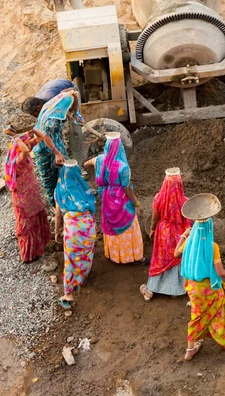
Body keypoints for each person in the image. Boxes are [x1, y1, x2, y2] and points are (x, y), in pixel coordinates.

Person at [178, 193, 225, 361]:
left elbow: (176, 253)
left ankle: (190, 349)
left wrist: (184, 236)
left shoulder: (189, 241)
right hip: (208, 289)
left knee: (196, 316)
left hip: (192, 287)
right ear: (210, 229)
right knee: (218, 314)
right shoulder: (212, 247)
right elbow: (220, 272)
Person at [84, 132, 145, 264]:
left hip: (107, 196)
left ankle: (114, 254)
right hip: (121, 200)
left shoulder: (100, 159)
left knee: (111, 224)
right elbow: (128, 189)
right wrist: (137, 204)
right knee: (128, 223)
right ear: (120, 148)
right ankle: (133, 256)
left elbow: (87, 163)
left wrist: (92, 167)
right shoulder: (123, 168)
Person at [140, 168, 191, 301]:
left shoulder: (158, 198)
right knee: (176, 259)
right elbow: (188, 220)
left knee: (161, 259)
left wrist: (152, 229)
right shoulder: (185, 201)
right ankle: (175, 289)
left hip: (164, 232)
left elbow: (155, 217)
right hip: (179, 233)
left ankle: (151, 289)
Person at [54, 159, 97, 309]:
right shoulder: (83, 188)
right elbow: (92, 207)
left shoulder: (59, 191)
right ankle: (81, 279)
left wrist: (56, 231)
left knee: (70, 261)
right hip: (88, 227)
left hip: (72, 230)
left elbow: (58, 215)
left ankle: (68, 294)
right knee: (85, 254)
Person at [5, 133, 51, 262]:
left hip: (32, 194)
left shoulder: (24, 152)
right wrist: (15, 137)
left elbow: (41, 136)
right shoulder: (18, 160)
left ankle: (39, 247)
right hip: (23, 197)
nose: (30, 143)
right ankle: (28, 254)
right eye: (27, 142)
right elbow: (25, 149)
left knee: (35, 219)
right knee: (27, 224)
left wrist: (32, 129)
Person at [32, 90, 80, 207]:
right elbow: (46, 136)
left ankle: (65, 197)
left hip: (54, 145)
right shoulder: (52, 119)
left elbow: (73, 110)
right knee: (49, 177)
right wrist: (57, 153)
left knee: (65, 171)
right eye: (68, 108)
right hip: (45, 149)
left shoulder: (52, 105)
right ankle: (54, 204)